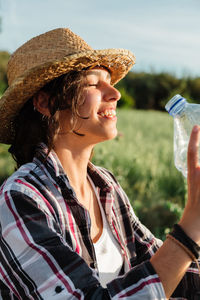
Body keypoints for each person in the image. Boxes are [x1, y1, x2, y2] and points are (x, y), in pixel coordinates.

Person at [0, 28, 200, 300]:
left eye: (110, 82)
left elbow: (166, 269)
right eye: (94, 83)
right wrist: (189, 230)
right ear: (46, 103)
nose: (115, 94)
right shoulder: (20, 199)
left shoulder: (105, 185)